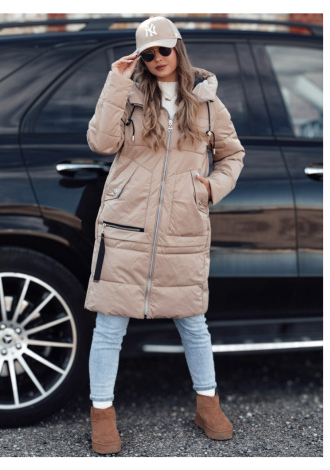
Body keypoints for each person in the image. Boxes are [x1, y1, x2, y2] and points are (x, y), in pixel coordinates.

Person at [83, 16, 246, 455]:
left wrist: (210, 188)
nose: (157, 59)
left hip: (183, 226)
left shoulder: (207, 103)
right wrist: (116, 82)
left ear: (178, 48)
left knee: (193, 322)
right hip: (125, 224)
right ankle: (101, 413)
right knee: (109, 324)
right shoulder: (130, 96)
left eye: (163, 50)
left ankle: (208, 405)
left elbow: (232, 155)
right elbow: (100, 143)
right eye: (148, 53)